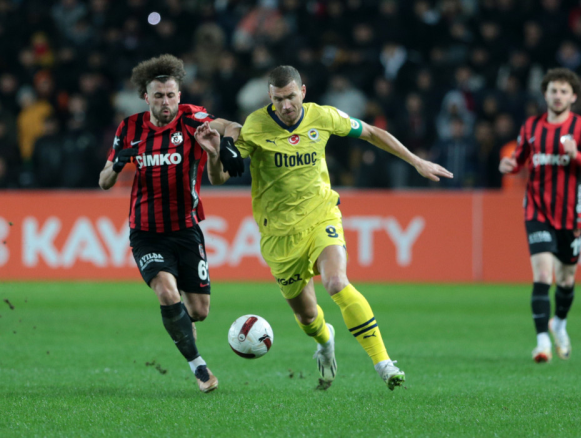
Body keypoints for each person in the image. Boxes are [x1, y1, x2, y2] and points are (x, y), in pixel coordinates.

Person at [202, 65, 452, 390]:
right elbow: (218, 178)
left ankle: (384, 363)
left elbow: (373, 133)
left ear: (303, 92)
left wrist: (416, 161)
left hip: (322, 216)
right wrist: (213, 155)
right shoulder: (256, 126)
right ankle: (325, 340)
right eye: (279, 99)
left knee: (336, 282)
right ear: (270, 97)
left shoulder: (323, 116)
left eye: (291, 96)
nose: (286, 105)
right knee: (308, 318)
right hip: (279, 236)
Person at [98, 54, 242, 393]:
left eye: (171, 95)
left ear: (180, 95)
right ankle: (200, 369)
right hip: (146, 232)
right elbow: (104, 182)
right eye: (159, 96)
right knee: (166, 291)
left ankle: (177, 324)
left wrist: (225, 150)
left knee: (199, 311)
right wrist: (116, 165)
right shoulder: (129, 128)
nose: (166, 102)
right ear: (146, 97)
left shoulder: (192, 119)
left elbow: (229, 127)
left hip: (186, 229)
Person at [499, 68, 581, 363]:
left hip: (571, 217)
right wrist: (508, 165)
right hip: (537, 211)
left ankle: (559, 323)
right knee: (543, 274)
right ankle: (541, 342)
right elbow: (520, 159)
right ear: (545, 94)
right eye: (553, 90)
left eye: (563, 91)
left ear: (573, 96)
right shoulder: (531, 127)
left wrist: (578, 156)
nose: (558, 96)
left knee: (566, 280)